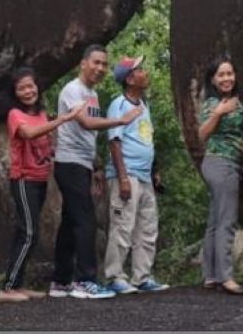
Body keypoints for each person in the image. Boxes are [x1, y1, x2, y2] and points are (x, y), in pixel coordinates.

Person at [50, 44, 144, 300]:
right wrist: (121, 121)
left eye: (104, 64)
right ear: (83, 63)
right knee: (85, 220)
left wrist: (96, 167)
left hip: (82, 163)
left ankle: (60, 281)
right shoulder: (73, 90)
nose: (101, 68)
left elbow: (87, 135)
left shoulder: (91, 94)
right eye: (96, 62)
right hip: (69, 162)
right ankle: (85, 280)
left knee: (71, 222)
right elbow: (87, 123)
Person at [0, 67, 87, 303]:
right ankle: (7, 288)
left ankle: (17, 284)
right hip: (23, 179)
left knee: (27, 234)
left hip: (40, 179)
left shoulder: (41, 114)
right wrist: (64, 118)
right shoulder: (15, 114)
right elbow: (28, 134)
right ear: (15, 93)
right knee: (29, 233)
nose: (28, 91)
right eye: (22, 88)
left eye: (31, 85)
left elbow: (47, 146)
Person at [103, 56, 169, 294]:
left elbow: (146, 138)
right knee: (123, 226)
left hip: (144, 176)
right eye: (140, 69)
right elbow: (114, 141)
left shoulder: (144, 105)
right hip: (127, 173)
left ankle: (142, 276)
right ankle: (115, 276)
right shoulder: (118, 104)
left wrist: (154, 171)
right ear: (130, 78)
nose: (145, 72)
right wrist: (122, 178)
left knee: (147, 226)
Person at [197, 56, 243, 295]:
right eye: (221, 75)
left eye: (230, 73)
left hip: (228, 164)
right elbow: (202, 134)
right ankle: (226, 276)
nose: (227, 78)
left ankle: (210, 275)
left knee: (216, 222)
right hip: (220, 163)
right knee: (227, 220)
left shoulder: (233, 100)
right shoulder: (212, 103)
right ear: (213, 80)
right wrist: (218, 113)